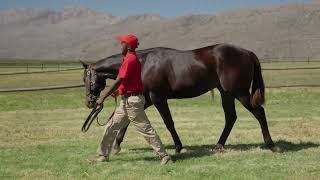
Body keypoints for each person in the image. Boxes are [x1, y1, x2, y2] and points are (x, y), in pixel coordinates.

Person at [88, 34, 173, 165]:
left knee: (145, 129)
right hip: (126, 100)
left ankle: (164, 156)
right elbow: (128, 80)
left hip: (133, 102)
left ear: (128, 46)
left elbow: (119, 79)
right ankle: (103, 156)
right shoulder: (130, 59)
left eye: (122, 43)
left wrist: (103, 97)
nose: (120, 45)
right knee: (110, 127)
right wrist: (118, 92)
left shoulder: (130, 60)